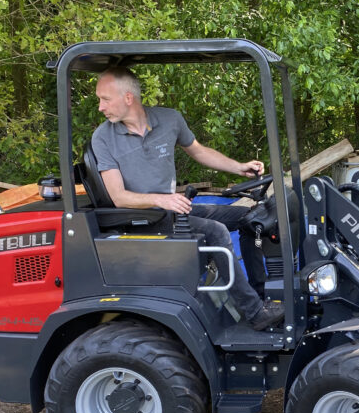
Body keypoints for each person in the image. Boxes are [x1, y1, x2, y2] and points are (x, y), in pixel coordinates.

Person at [91, 66, 282, 331]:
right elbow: (119, 197)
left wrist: (238, 167)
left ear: (128, 97)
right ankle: (255, 313)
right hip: (144, 219)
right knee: (215, 231)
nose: (100, 107)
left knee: (251, 217)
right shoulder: (103, 137)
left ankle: (259, 296)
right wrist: (162, 200)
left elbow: (199, 152)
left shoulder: (169, 120)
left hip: (171, 211)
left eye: (105, 99)